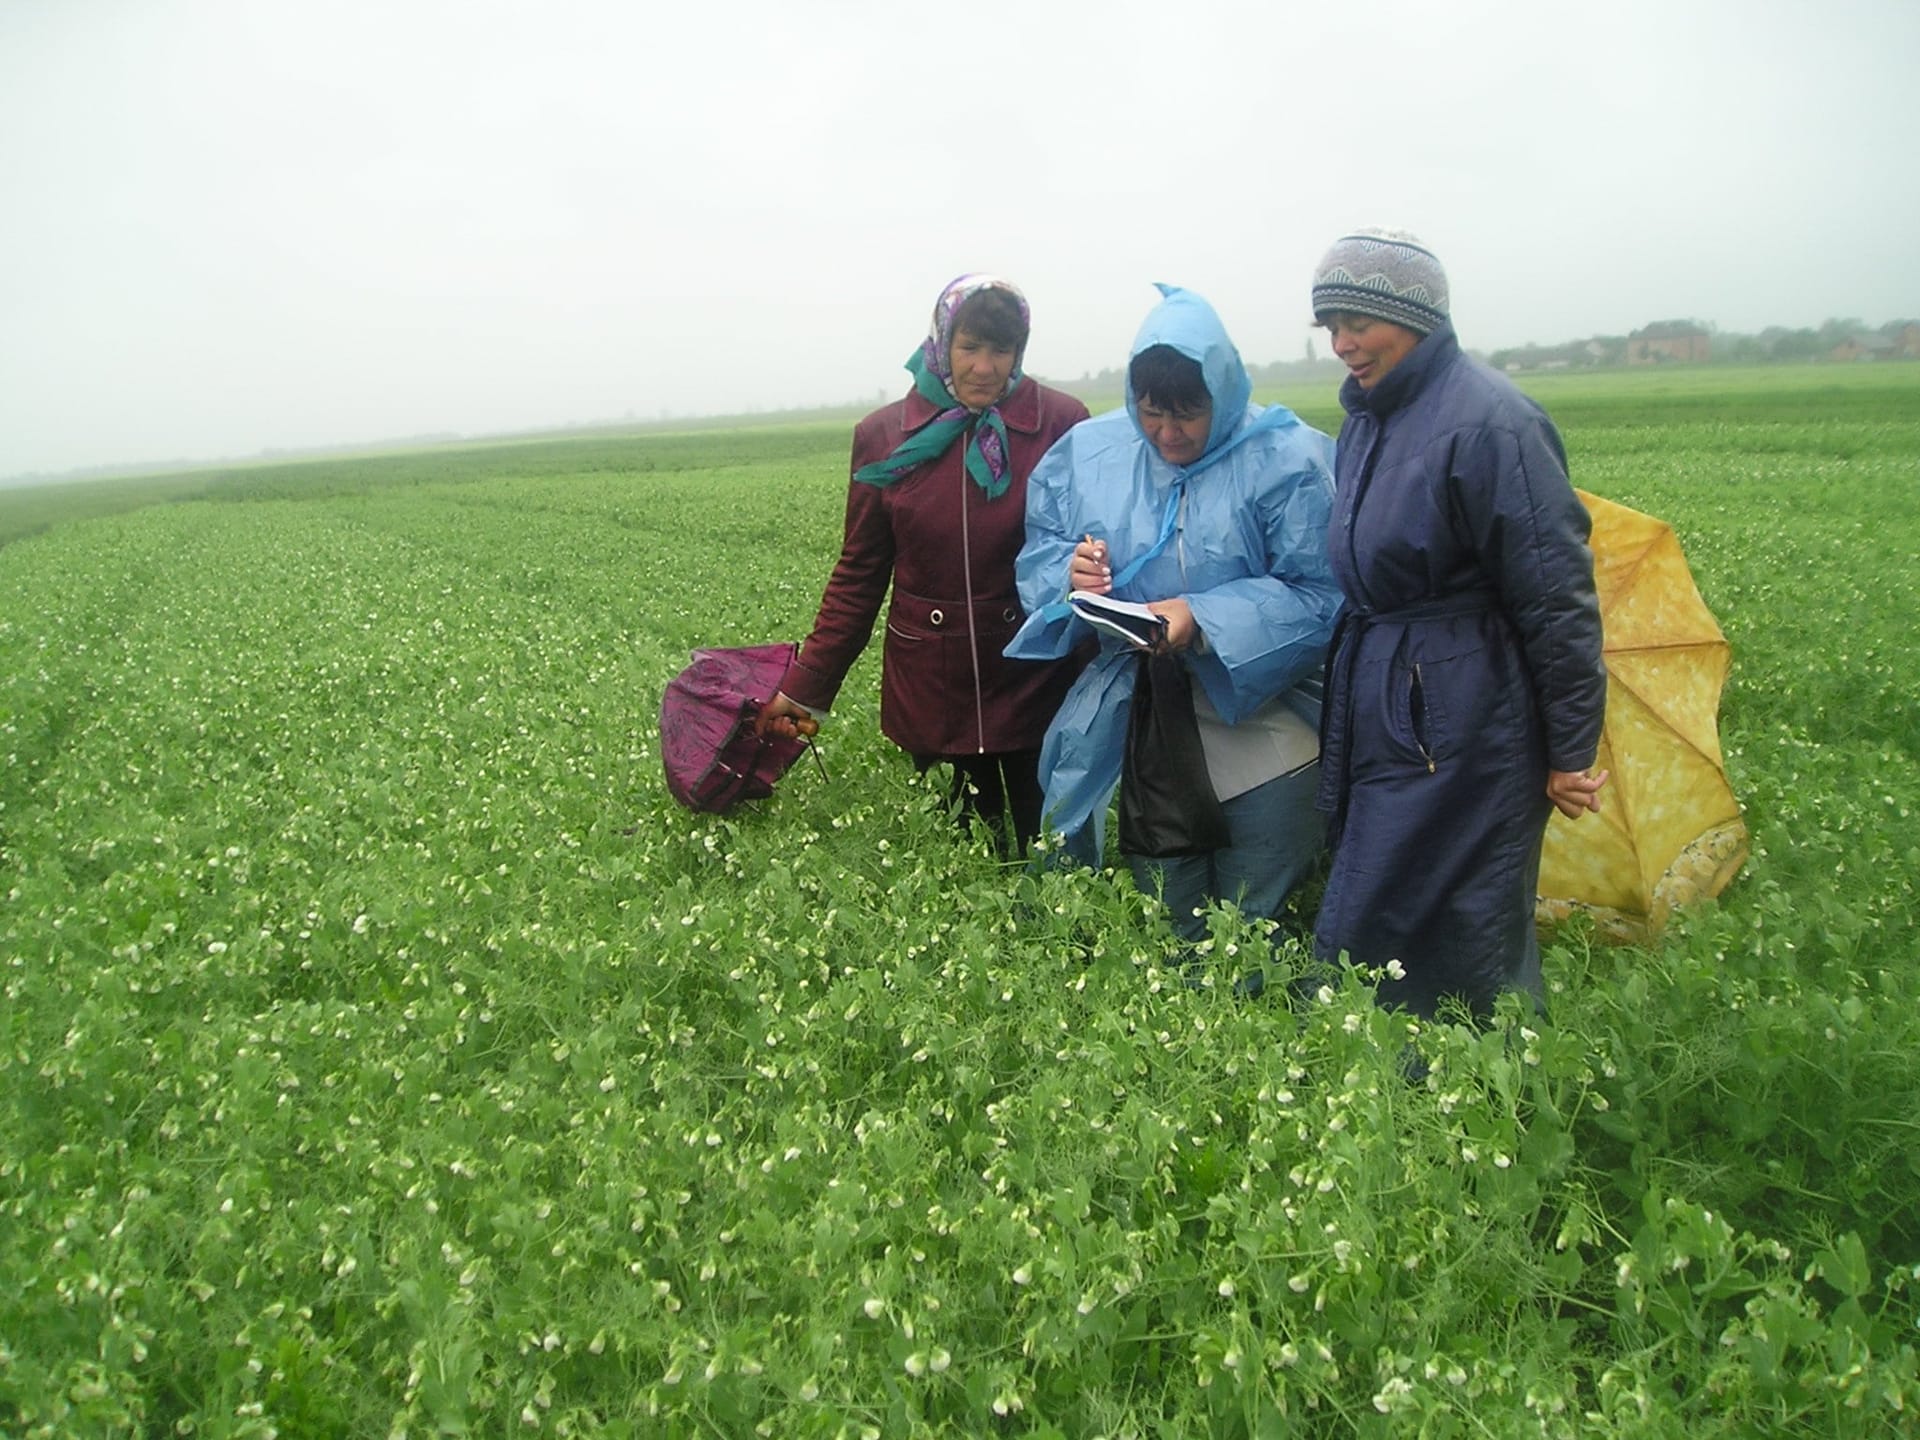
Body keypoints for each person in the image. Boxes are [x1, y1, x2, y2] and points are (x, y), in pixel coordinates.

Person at [1308, 228, 1609, 1018]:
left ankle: (1478, 1067)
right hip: (1394, 686)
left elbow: (1554, 595)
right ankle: (1377, 1054)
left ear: (1416, 316)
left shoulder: (1492, 422)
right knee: (1381, 882)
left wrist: (1570, 748)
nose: (1341, 344)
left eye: (1357, 323)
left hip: (1467, 707)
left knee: (1461, 905)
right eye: (1330, 326)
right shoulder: (1370, 418)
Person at [1006, 284, 1340, 958]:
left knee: (1251, 927)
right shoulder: (1092, 454)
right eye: (1152, 412)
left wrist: (1202, 618)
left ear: (1225, 393)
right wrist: (1072, 574)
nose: (1167, 433)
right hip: (1149, 725)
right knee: (1174, 927)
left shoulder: (1287, 459)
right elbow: (1041, 554)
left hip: (1270, 723)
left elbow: (1324, 594)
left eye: (1188, 414)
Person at [762, 275, 1090, 854]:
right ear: (941, 343)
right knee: (964, 863)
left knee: (1052, 854)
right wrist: (806, 686)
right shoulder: (885, 436)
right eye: (970, 347)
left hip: (1036, 676)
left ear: (1019, 351)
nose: (984, 367)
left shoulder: (1061, 423)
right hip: (936, 688)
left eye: (1001, 350)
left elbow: (1092, 543)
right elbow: (860, 573)